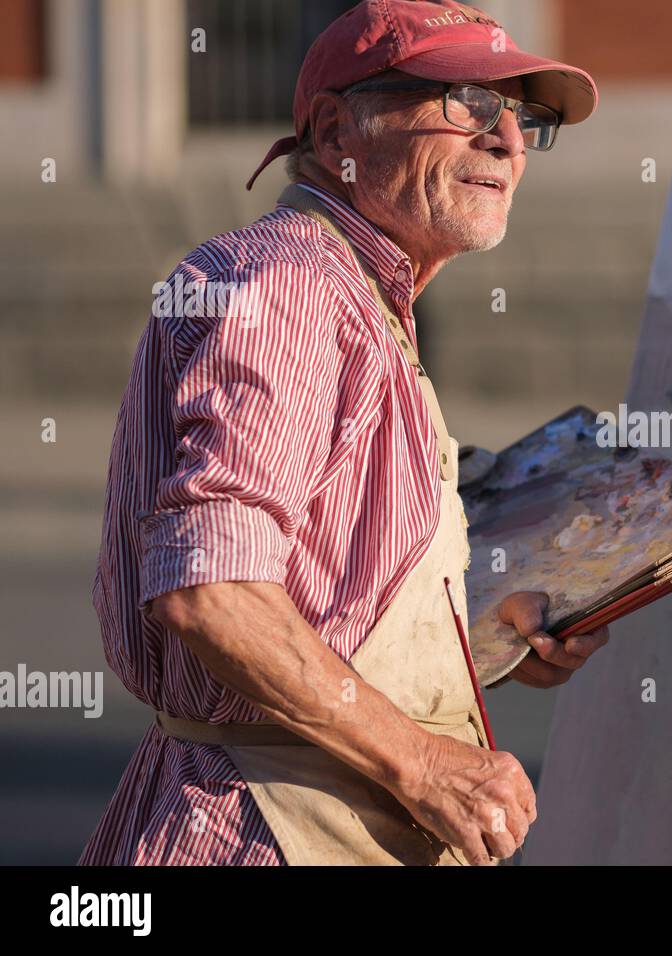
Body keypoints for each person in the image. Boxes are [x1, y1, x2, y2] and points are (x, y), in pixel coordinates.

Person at [81, 0, 604, 867]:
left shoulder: (355, 293)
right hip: (266, 827)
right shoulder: (293, 285)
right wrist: (428, 765)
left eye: (524, 116)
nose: (509, 140)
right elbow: (216, 592)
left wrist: (485, 631)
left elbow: (329, 583)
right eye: (468, 102)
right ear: (335, 132)